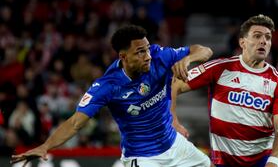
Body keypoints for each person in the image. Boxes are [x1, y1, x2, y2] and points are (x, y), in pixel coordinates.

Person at [11, 24, 214, 167]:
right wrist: (45, 146)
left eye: (147, 49)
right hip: (143, 158)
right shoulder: (107, 86)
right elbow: (75, 123)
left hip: (175, 145)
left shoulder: (159, 56)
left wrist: (189, 59)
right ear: (123, 57)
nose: (148, 56)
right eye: (140, 52)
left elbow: (205, 50)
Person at [171, 14, 278, 167]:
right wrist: (172, 118)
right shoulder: (220, 68)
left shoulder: (277, 81)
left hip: (262, 162)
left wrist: (273, 162)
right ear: (242, 42)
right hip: (223, 162)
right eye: (257, 36)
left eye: (268, 37)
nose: (263, 41)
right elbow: (174, 85)